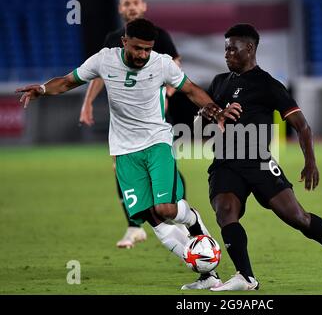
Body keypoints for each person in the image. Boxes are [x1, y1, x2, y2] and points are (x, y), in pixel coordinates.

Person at [16, 18, 231, 289]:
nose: (143, 55)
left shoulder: (161, 62)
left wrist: (213, 108)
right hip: (124, 150)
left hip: (157, 143)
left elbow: (190, 89)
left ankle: (192, 218)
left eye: (147, 49)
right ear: (124, 42)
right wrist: (43, 89)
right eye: (138, 48)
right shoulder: (104, 60)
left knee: (164, 208)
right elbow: (69, 81)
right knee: (151, 218)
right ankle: (206, 271)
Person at [198, 24, 322, 291]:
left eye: (232, 48)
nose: (227, 53)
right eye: (225, 48)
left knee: (297, 217)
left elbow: (302, 126)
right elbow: (206, 123)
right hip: (225, 162)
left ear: (250, 48)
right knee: (225, 212)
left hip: (258, 162)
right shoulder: (219, 82)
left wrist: (310, 162)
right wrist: (206, 115)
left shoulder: (268, 85)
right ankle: (246, 277)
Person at [79, 0, 184, 249]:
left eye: (136, 2)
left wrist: (167, 94)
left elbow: (175, 63)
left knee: (165, 168)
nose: (131, 7)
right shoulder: (112, 40)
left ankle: (178, 216)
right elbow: (98, 74)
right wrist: (88, 102)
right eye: (126, 3)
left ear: (144, 6)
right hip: (125, 121)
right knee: (121, 169)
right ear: (120, 8)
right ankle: (134, 227)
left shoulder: (159, 35)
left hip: (154, 116)